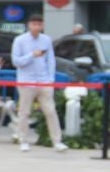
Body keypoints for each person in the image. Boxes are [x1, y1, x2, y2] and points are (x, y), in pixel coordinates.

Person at [10, 13, 69, 152]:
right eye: (34, 24)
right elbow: (16, 61)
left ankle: (57, 141)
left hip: (43, 80)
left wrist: (50, 79)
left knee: (50, 111)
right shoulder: (20, 40)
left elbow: (50, 60)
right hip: (26, 80)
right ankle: (23, 140)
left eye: (39, 24)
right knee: (24, 112)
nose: (37, 27)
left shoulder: (46, 40)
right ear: (29, 25)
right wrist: (32, 55)